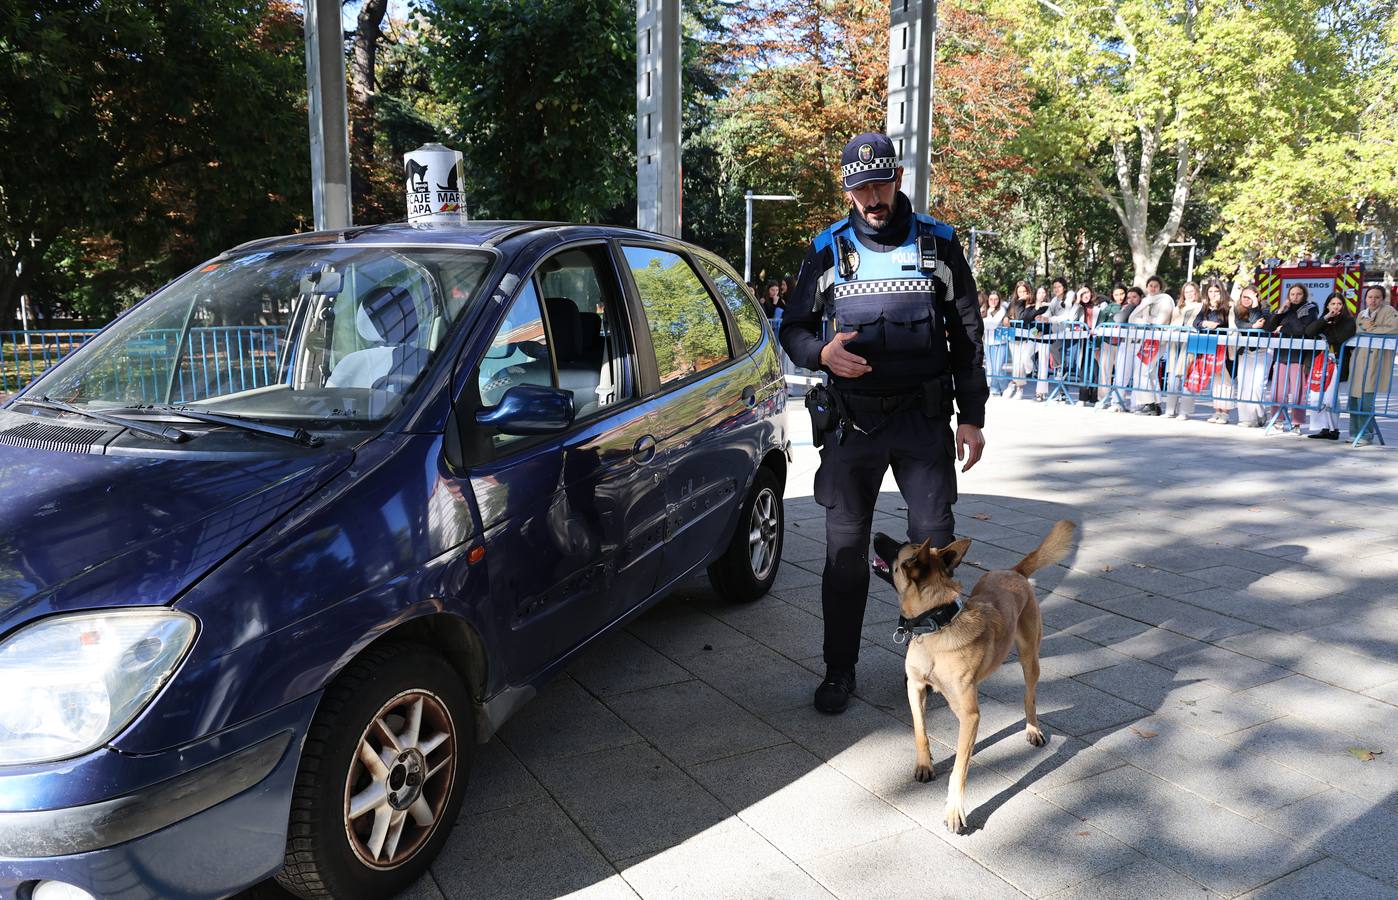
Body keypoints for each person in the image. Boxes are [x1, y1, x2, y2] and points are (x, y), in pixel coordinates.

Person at [779, 132, 987, 714]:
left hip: (923, 423)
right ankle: (838, 671)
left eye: (879, 182)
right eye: (859, 187)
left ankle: (945, 664)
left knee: (937, 550)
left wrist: (972, 416)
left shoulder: (939, 245)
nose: (871, 197)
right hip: (852, 427)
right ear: (846, 191)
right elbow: (792, 328)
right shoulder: (827, 249)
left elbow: (968, 337)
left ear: (898, 178)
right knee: (844, 553)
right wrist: (820, 354)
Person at [1266, 283, 1319, 433]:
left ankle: (1297, 423)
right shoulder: (1285, 310)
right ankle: (1277, 420)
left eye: (1299, 294)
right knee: (1277, 390)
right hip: (1282, 355)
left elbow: (1303, 330)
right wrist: (1280, 311)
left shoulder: (1310, 309)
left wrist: (1283, 328)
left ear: (1304, 295)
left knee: (1298, 392)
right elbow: (1269, 327)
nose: (1295, 297)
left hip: (1299, 356)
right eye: (1292, 294)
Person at [1348, 285, 1398, 444]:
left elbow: (1394, 328)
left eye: (1377, 297)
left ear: (1382, 299)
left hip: (1376, 359)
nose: (1373, 300)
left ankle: (1366, 434)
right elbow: (1358, 328)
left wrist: (1371, 329)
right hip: (1359, 358)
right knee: (1354, 398)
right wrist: (1367, 328)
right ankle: (1354, 432)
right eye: (1370, 297)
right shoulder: (1362, 314)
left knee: (1366, 398)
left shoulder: (1389, 311)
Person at [1303, 292, 1356, 440]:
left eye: (1339, 304)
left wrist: (1324, 335)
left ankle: (1334, 429)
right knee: (1318, 395)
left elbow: (1338, 338)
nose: (1336, 307)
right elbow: (1309, 331)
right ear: (1327, 305)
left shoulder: (1349, 321)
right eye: (1333, 304)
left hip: (1338, 362)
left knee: (1331, 397)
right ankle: (1323, 427)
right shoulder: (1325, 319)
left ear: (1343, 306)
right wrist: (1326, 318)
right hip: (1323, 362)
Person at [1129, 275, 1175, 415]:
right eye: (1150, 286)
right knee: (1150, 371)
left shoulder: (1165, 300)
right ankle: (1155, 403)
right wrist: (1147, 321)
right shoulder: (1146, 301)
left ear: (1160, 287)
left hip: (1158, 339)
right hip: (1147, 338)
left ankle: (1147, 403)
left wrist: (1146, 320)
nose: (1153, 288)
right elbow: (1133, 318)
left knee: (1143, 370)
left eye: (1156, 285)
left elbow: (1161, 320)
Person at [1192, 279, 1235, 423]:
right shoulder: (1205, 307)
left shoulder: (1229, 307)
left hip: (1225, 349)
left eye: (1216, 291)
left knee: (1226, 380)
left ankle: (1225, 412)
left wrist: (1215, 324)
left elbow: (1227, 324)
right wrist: (1205, 323)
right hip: (1210, 347)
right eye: (1210, 291)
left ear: (1221, 292)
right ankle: (1217, 411)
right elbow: (1196, 322)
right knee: (1216, 381)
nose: (1213, 294)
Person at [1034, 280, 1084, 401]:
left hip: (1069, 334)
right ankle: (1062, 392)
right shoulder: (1054, 300)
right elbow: (1049, 312)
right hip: (1057, 334)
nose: (1056, 289)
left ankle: (1061, 370)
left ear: (1064, 287)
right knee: (1060, 361)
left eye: (1059, 286)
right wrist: (1042, 317)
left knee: (1054, 348)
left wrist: (1050, 319)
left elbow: (1068, 316)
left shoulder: (1070, 296)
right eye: (1054, 287)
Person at [1231, 285, 1271, 427]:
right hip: (1245, 351)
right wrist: (1253, 326)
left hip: (1262, 351)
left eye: (1249, 297)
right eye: (1244, 297)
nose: (1245, 300)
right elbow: (1240, 324)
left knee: (1257, 386)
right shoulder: (1237, 309)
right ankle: (1246, 418)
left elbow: (1263, 324)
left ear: (1256, 296)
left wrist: (1254, 306)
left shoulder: (1265, 307)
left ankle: (1260, 413)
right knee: (1243, 385)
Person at [1164, 280, 1204, 419]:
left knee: (1187, 375)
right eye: (1187, 292)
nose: (1189, 294)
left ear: (1196, 292)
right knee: (1172, 376)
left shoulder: (1201, 306)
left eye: (1192, 291)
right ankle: (1170, 409)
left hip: (1191, 342)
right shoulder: (1178, 307)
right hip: (1175, 341)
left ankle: (1184, 411)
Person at [1005, 280, 1036, 399]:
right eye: (1019, 292)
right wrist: (1006, 319)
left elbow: (1028, 320)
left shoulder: (1032, 303)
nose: (1022, 294)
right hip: (1014, 336)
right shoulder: (1013, 303)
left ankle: (1015, 385)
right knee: (1016, 363)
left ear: (1028, 291)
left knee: (1021, 361)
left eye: (1024, 291)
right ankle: (1017, 386)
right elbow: (1007, 317)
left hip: (1027, 337)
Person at [983, 290, 1011, 395]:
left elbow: (993, 324)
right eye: (991, 299)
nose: (993, 301)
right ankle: (994, 389)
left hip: (1000, 343)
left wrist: (983, 321)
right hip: (988, 342)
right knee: (990, 369)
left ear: (999, 300)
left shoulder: (1001, 310)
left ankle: (1005, 388)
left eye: (996, 299)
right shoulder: (985, 310)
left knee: (998, 368)